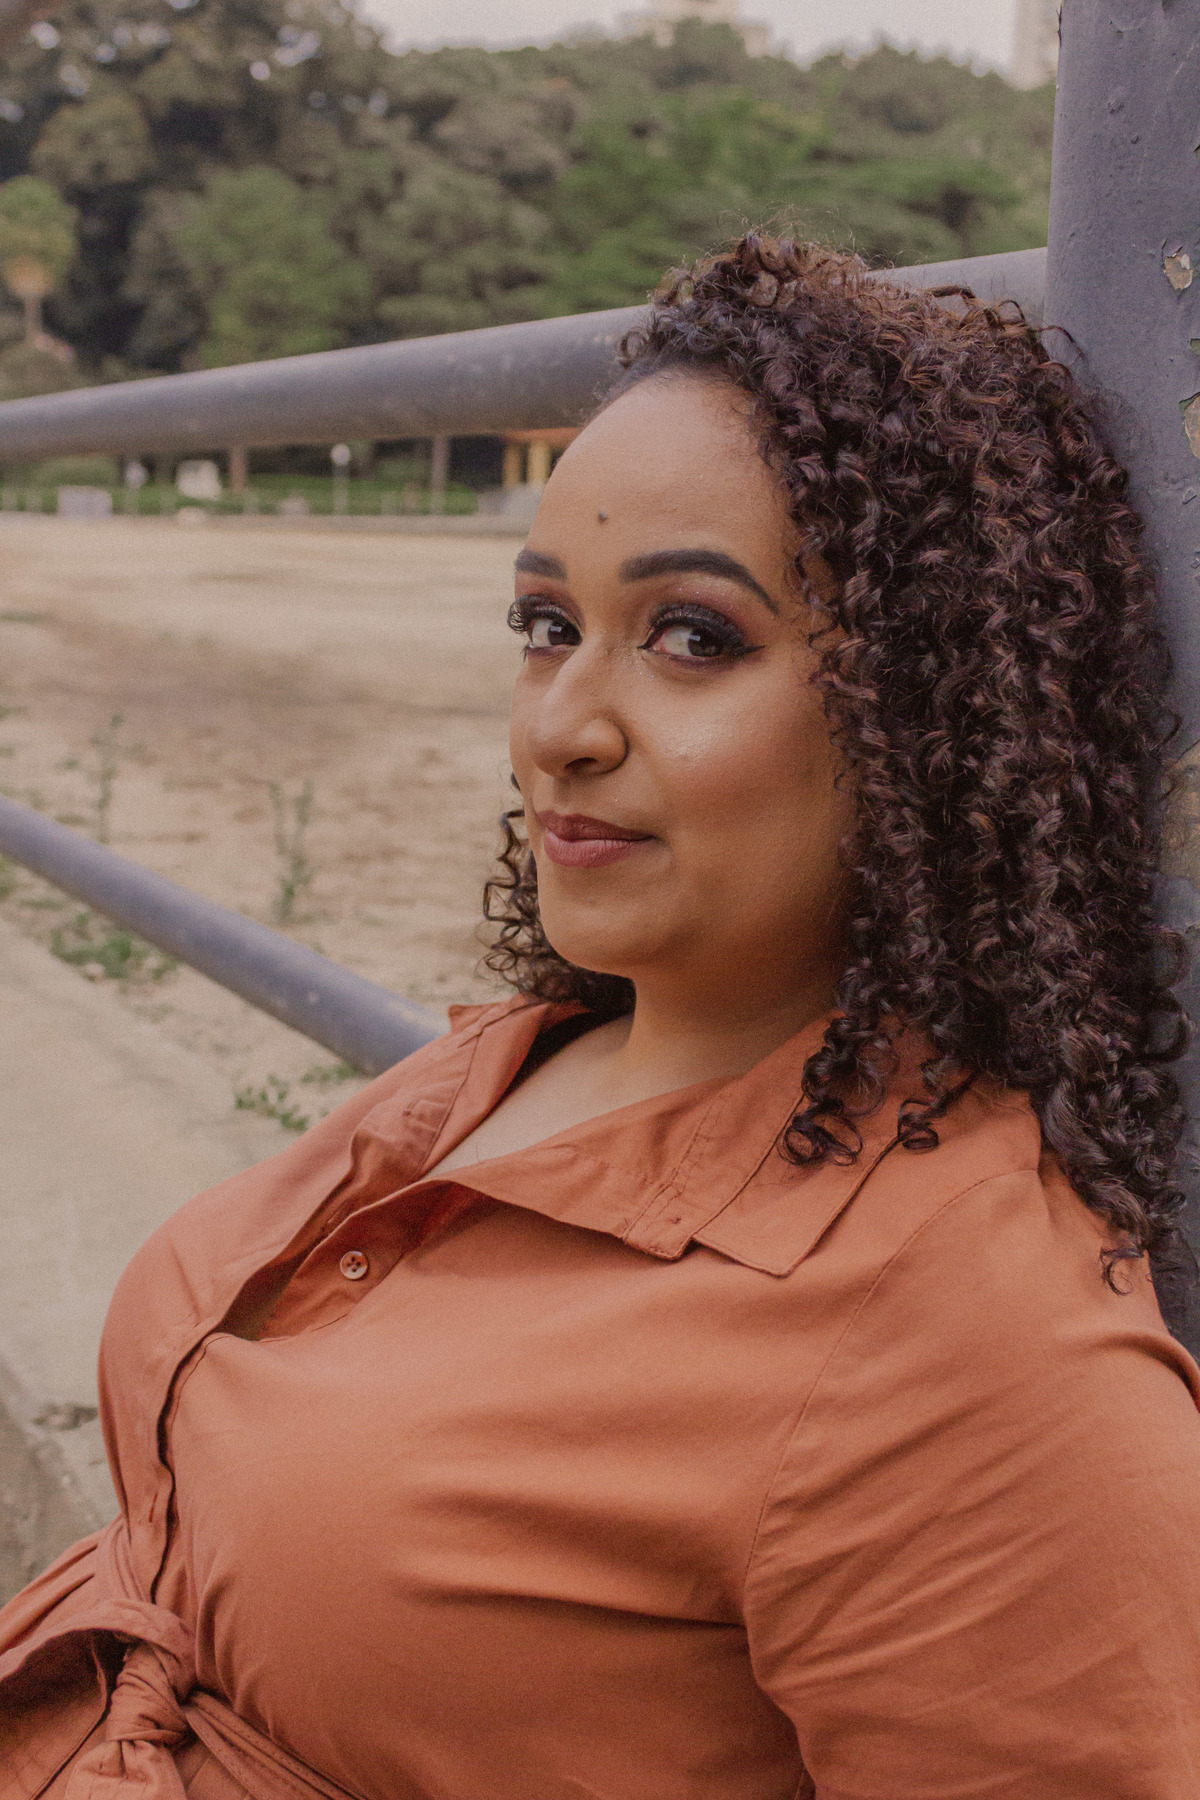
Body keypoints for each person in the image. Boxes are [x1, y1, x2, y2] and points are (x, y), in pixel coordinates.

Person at [2, 235, 1200, 1799]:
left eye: (694, 636)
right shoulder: (500, 1068)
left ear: (932, 707)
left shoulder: (964, 1353)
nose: (560, 728)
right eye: (547, 627)